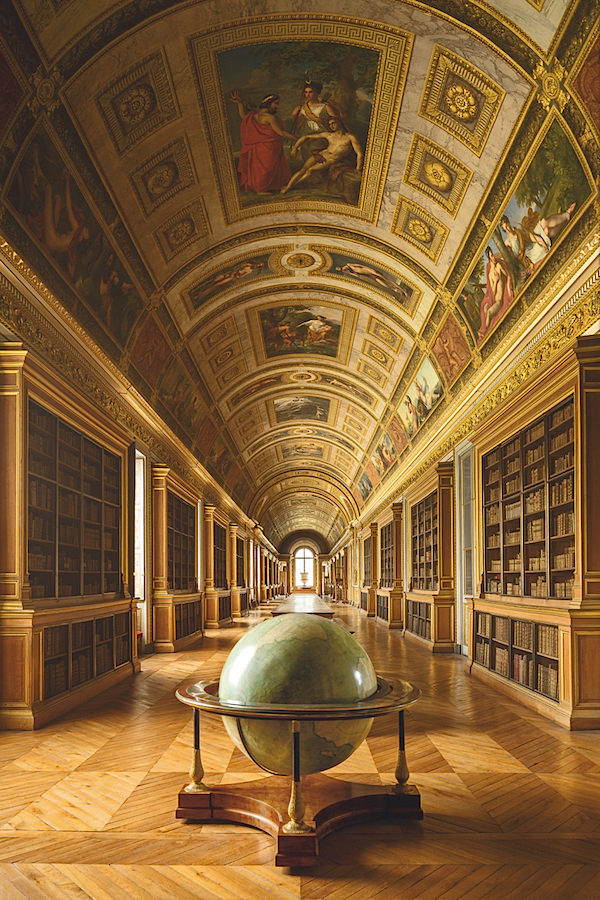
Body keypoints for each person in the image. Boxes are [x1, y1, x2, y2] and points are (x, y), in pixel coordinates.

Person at [229, 91, 295, 194]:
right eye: (275, 103)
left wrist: (239, 103)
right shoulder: (270, 117)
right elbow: (281, 132)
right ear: (269, 103)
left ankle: (270, 186)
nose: (277, 106)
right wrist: (296, 138)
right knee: (266, 168)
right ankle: (261, 189)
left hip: (260, 147)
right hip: (268, 148)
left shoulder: (255, 114)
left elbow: (243, 116)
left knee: (263, 168)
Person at [280, 117, 363, 194]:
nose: (331, 126)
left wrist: (358, 168)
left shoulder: (350, 137)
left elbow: (359, 154)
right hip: (320, 155)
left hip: (331, 160)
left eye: (333, 123)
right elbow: (306, 137)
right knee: (303, 169)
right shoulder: (329, 135)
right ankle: (288, 186)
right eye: (330, 124)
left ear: (340, 123)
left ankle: (292, 187)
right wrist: (295, 148)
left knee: (310, 171)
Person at [479, 246, 513, 339]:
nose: (494, 257)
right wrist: (496, 281)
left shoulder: (498, 266)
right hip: (495, 299)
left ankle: (485, 331)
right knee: (485, 308)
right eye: (491, 256)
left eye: (493, 255)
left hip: (499, 301)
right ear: (489, 259)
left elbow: (508, 276)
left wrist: (509, 289)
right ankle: (484, 328)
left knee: (489, 312)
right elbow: (493, 290)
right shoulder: (490, 274)